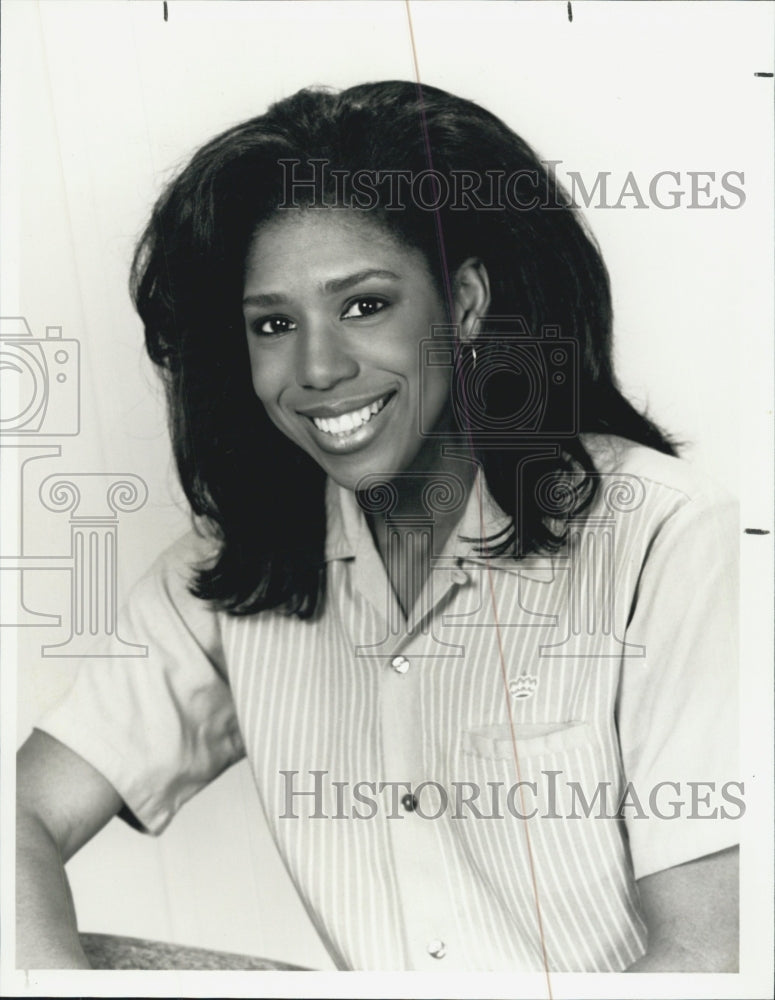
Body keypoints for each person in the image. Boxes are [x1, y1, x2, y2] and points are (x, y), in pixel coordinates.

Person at [16, 81, 739, 972]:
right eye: (274, 324)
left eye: (364, 305)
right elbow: (23, 811)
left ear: (465, 304)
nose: (317, 367)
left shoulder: (664, 540)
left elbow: (712, 958)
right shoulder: (240, 567)